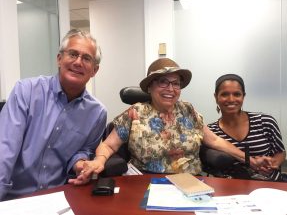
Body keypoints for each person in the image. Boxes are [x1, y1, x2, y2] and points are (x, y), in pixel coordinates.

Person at [70, 58, 271, 184]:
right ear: (150, 87)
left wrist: (249, 159)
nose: (170, 88)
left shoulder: (189, 110)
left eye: (175, 83)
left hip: (191, 182)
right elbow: (108, 145)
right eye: (163, 82)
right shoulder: (135, 113)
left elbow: (215, 141)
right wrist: (99, 160)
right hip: (145, 182)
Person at [0, 29, 107, 201]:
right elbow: (4, 151)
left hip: (59, 198)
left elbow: (83, 150)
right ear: (59, 59)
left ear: (95, 70)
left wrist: (80, 164)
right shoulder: (26, 92)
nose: (78, 62)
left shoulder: (97, 113)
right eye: (72, 54)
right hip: (15, 198)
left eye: (86, 58)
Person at [207, 74, 286, 181]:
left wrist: (271, 165)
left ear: (243, 96)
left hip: (269, 186)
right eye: (224, 94)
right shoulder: (210, 132)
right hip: (231, 189)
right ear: (216, 97)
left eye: (237, 94)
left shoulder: (265, 121)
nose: (231, 99)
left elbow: (280, 152)